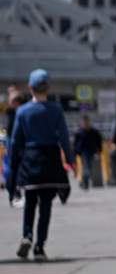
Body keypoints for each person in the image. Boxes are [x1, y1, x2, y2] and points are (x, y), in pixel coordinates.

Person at [6, 70, 74, 261]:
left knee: (30, 201)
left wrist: (13, 163)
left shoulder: (22, 111)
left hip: (31, 158)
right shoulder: (56, 110)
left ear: (30, 88)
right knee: (46, 205)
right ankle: (39, 247)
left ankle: (27, 235)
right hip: (51, 159)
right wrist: (69, 160)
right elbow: (64, 137)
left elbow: (15, 141)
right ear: (48, 88)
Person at [73, 116, 103, 190]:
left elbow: (99, 142)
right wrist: (75, 153)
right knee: (86, 167)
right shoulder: (79, 133)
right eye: (84, 123)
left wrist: (99, 151)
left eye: (87, 122)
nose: (85, 124)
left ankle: (83, 181)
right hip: (83, 152)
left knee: (88, 167)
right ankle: (85, 183)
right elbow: (75, 144)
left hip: (92, 152)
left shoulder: (94, 132)